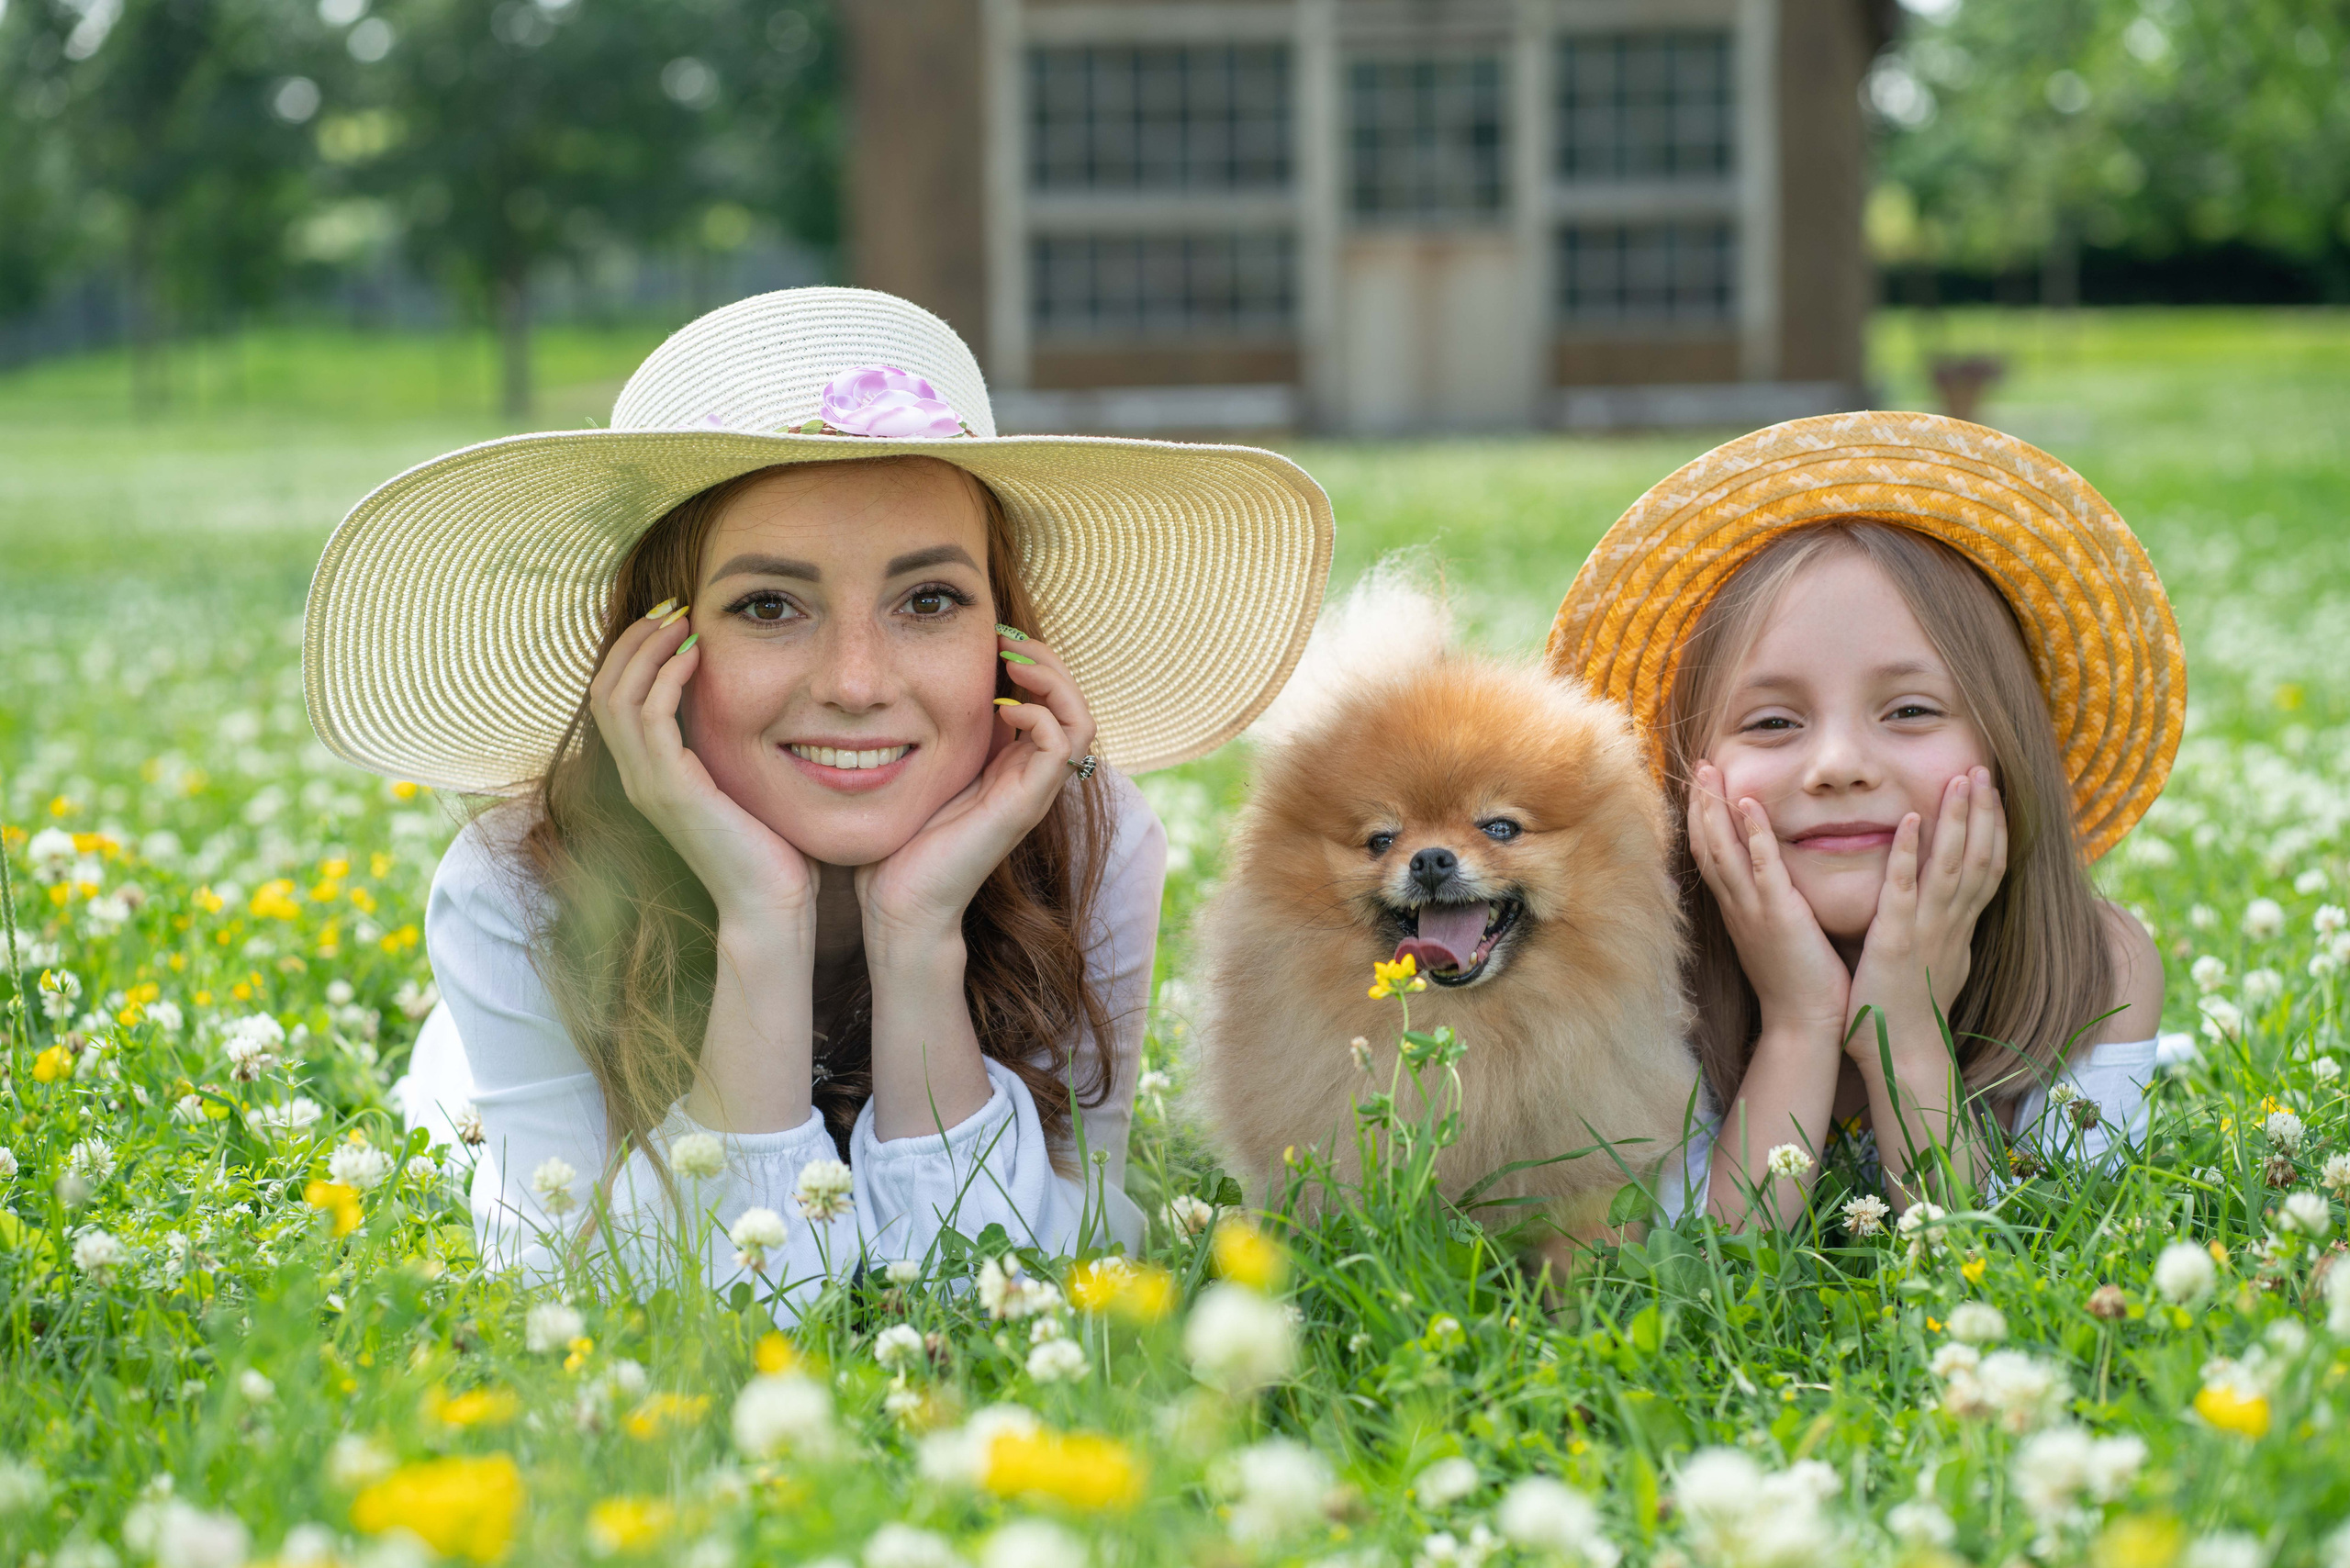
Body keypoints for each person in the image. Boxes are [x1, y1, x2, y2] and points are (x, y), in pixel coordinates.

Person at [304, 287, 1333, 1301]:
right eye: (767, 604)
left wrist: (921, 931)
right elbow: (616, 1297)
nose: (854, 681)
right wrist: (762, 920)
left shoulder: (1086, 841)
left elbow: (1026, 1271)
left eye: (928, 599)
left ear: (1005, 643)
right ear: (651, 651)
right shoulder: (519, 890)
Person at [1547, 412, 2185, 1227]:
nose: (1838, 765)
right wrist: (1799, 1024)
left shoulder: (2101, 966)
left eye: (1912, 710)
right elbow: (1707, 1275)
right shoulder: (1635, 979)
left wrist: (1908, 1032)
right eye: (1772, 722)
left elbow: (2022, 1274)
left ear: (2004, 749)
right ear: (1683, 778)